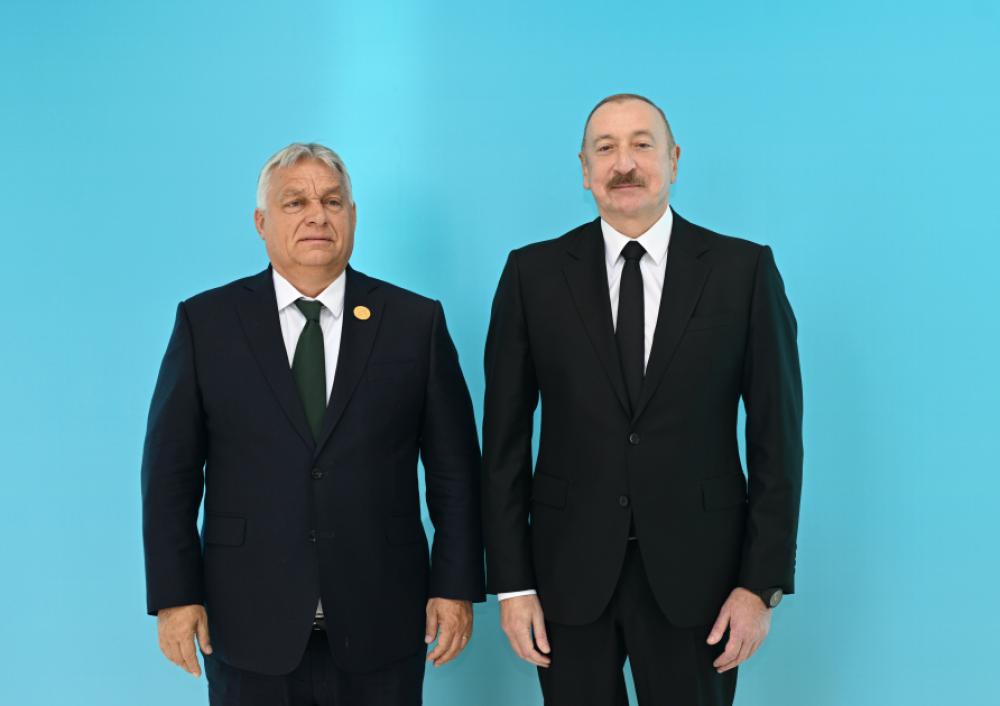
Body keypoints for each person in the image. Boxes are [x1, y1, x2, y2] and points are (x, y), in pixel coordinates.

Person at [482, 94, 803, 706]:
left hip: (703, 581)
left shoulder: (743, 271)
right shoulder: (532, 275)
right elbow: (503, 444)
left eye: (641, 144)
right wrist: (513, 585)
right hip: (566, 577)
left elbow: (777, 441)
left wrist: (760, 585)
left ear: (674, 160)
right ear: (584, 169)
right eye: (605, 148)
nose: (623, 163)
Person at [142, 142, 485, 706]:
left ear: (352, 216)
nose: (316, 216)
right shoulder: (207, 323)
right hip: (247, 623)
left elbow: (455, 472)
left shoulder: (413, 322)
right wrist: (175, 595)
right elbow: (169, 474)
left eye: (332, 201)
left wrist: (454, 587)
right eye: (295, 202)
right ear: (262, 222)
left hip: (383, 619)